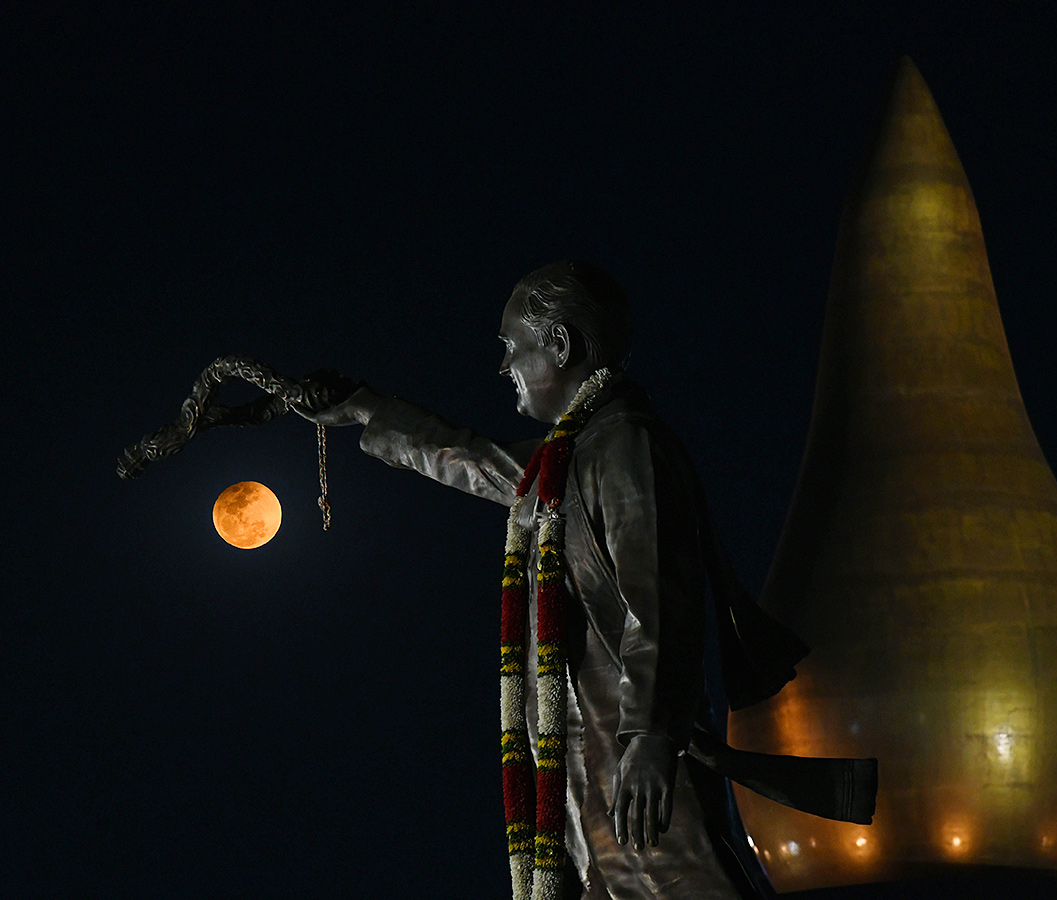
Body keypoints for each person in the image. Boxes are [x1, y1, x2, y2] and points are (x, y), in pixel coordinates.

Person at [299, 261, 806, 899]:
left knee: (682, 884)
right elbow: (475, 463)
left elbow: (660, 604)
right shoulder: (568, 458)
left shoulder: (625, 447)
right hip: (583, 747)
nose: (504, 365)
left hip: (632, 750)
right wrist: (365, 407)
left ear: (559, 346)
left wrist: (649, 737)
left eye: (512, 347)